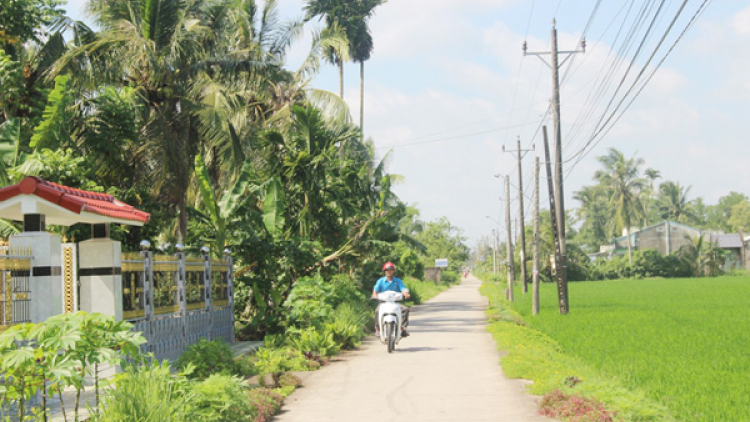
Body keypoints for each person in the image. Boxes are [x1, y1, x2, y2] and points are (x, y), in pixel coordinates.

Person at [372, 262, 411, 337]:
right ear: (384, 271)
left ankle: (402, 328)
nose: (389, 272)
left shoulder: (398, 281)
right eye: (387, 270)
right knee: (377, 311)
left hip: (395, 303)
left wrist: (406, 293)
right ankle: (377, 329)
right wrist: (374, 295)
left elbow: (403, 288)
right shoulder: (380, 281)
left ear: (394, 271)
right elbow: (375, 290)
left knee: (405, 309)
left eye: (391, 270)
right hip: (383, 303)